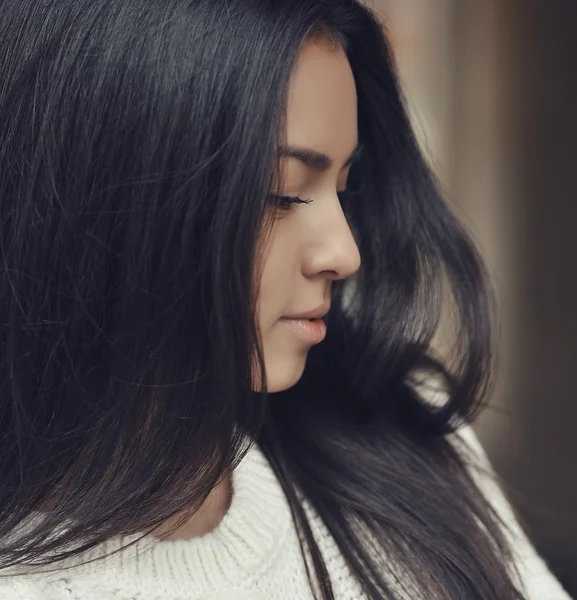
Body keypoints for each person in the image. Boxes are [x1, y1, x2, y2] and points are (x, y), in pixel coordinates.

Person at [0, 1, 572, 599]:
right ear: (101, 196)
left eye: (343, 189)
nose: (343, 254)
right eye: (283, 193)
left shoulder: (402, 432)